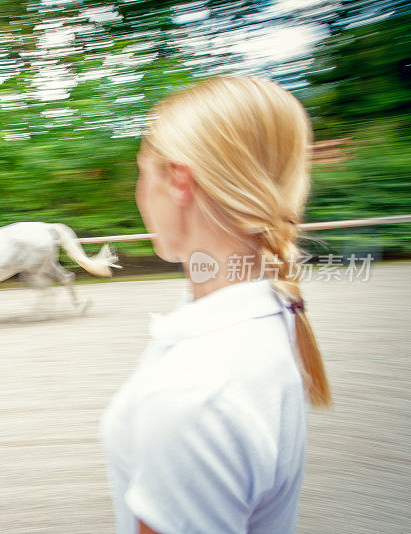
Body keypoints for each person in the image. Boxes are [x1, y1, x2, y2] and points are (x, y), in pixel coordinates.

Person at [100, 76, 332, 534]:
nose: (139, 192)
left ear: (180, 181)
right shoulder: (269, 310)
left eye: (143, 173)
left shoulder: (194, 396)